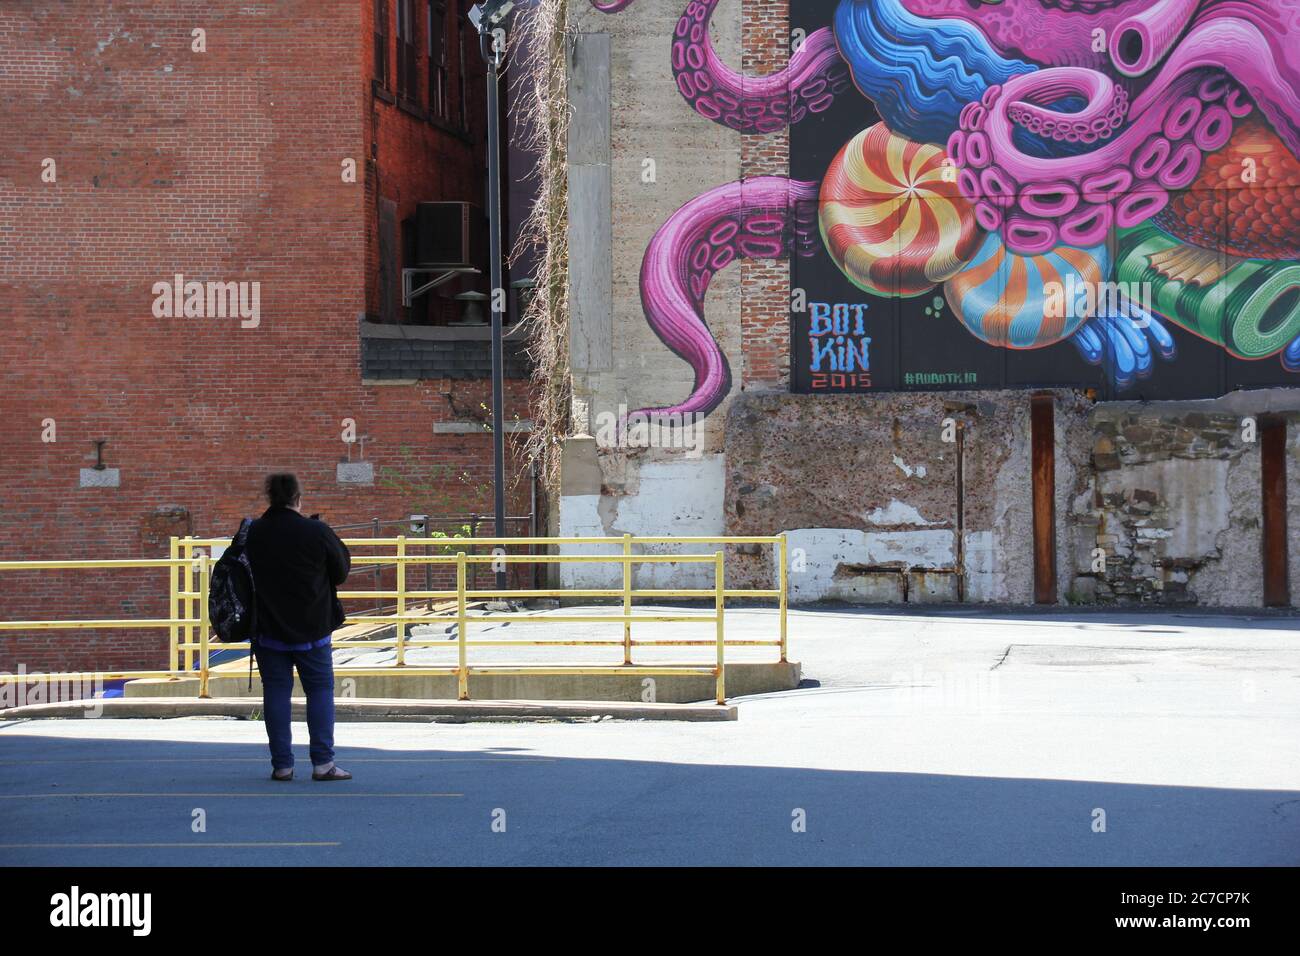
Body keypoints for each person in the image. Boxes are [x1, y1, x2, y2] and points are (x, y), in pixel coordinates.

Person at [245, 473, 352, 781]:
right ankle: (322, 763)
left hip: (268, 629)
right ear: (297, 497)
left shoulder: (254, 532)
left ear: (269, 497)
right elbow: (342, 570)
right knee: (319, 690)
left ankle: (282, 765)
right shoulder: (316, 531)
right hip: (313, 628)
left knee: (276, 693)